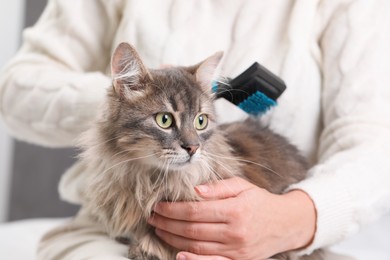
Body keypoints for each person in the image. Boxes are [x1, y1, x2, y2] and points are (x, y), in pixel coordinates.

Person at [1, 0, 390, 259]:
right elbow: (14, 91)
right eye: (169, 122)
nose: (189, 144)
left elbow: (373, 144)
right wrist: (127, 100)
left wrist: (296, 217)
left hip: (282, 239)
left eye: (199, 124)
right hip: (110, 236)